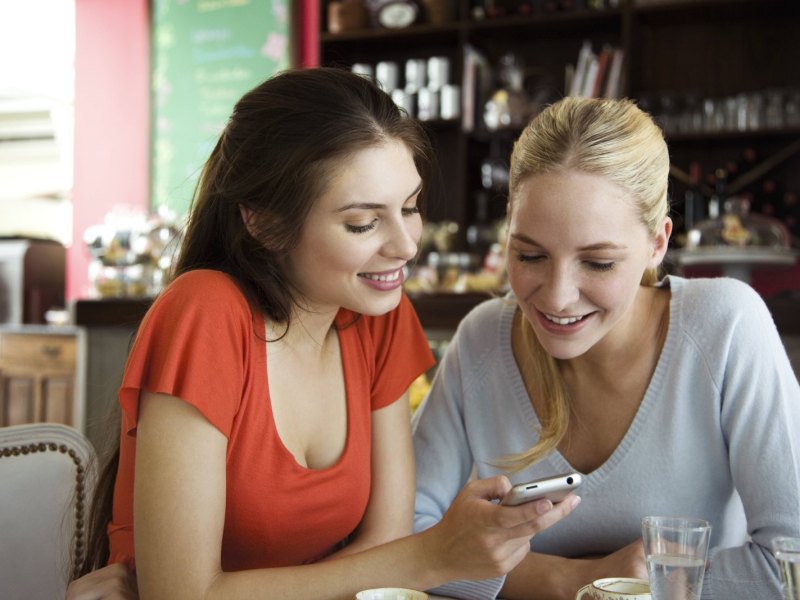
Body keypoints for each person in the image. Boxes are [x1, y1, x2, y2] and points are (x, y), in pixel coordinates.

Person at [64, 67, 578, 600]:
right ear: (263, 222)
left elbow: (388, 538)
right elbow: (183, 594)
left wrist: (409, 559)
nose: (405, 246)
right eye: (363, 223)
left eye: (409, 208)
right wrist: (429, 558)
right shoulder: (206, 313)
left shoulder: (378, 316)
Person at [411, 96, 800, 599]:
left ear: (657, 244)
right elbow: (408, 539)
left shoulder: (724, 326)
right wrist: (580, 581)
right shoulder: (482, 337)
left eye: (597, 263)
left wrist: (488, 572)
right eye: (530, 254)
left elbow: (790, 559)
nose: (556, 296)